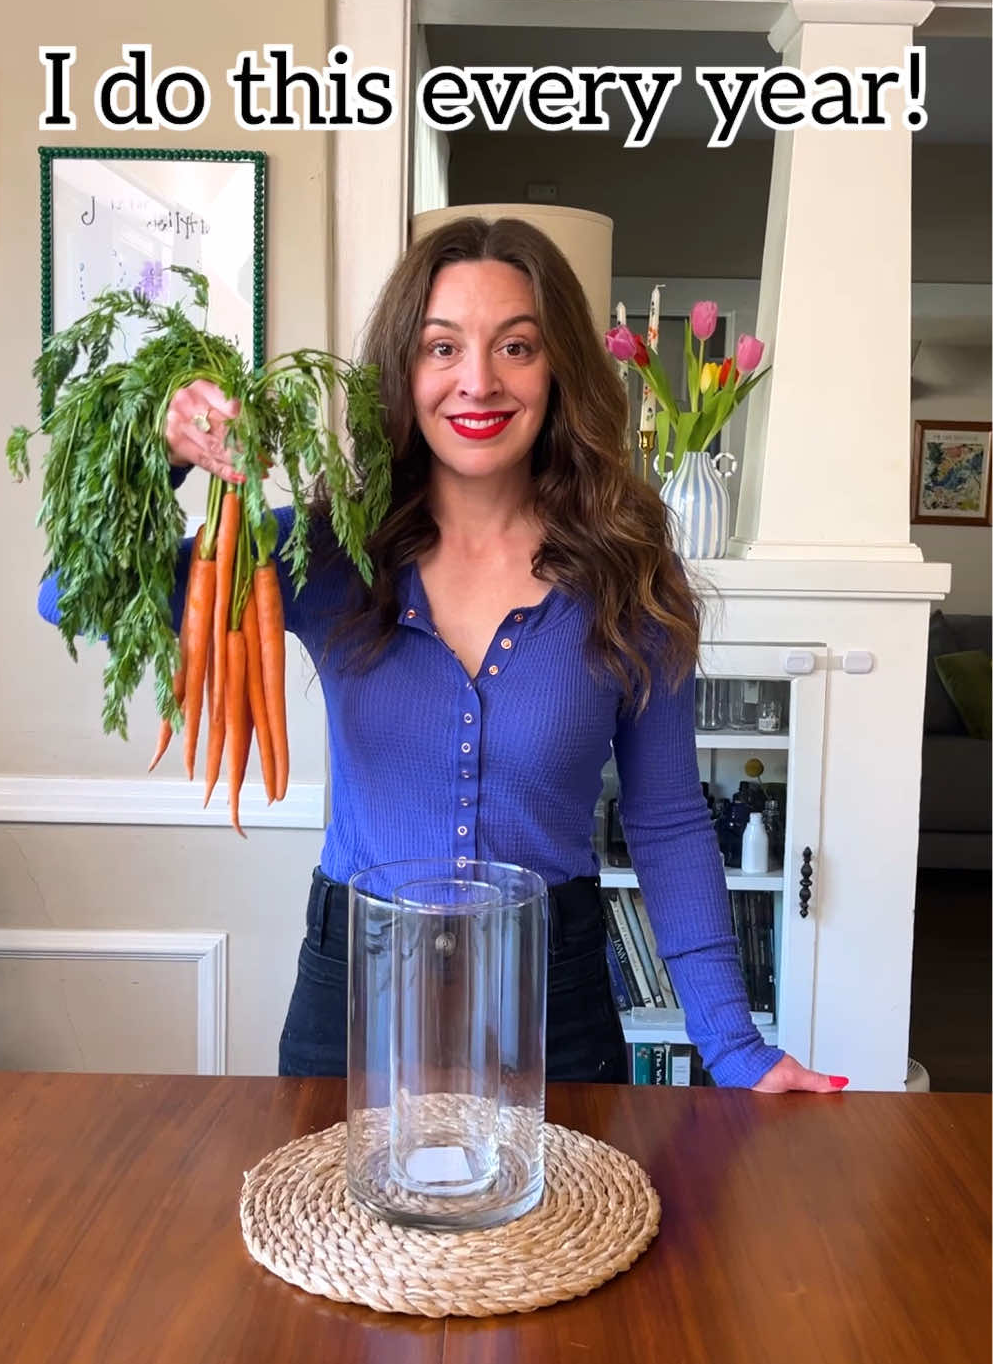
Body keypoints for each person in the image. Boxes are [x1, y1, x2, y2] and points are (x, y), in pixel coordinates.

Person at [88, 217, 848, 1092]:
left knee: (568, 1231)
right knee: (328, 1233)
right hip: (354, 994)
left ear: (558, 365)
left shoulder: (628, 573)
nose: (477, 380)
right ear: (402, 372)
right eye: (441, 346)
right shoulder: (328, 555)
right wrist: (163, 456)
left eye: (516, 345)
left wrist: (736, 1046)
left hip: (551, 999)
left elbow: (669, 817)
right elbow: (73, 601)